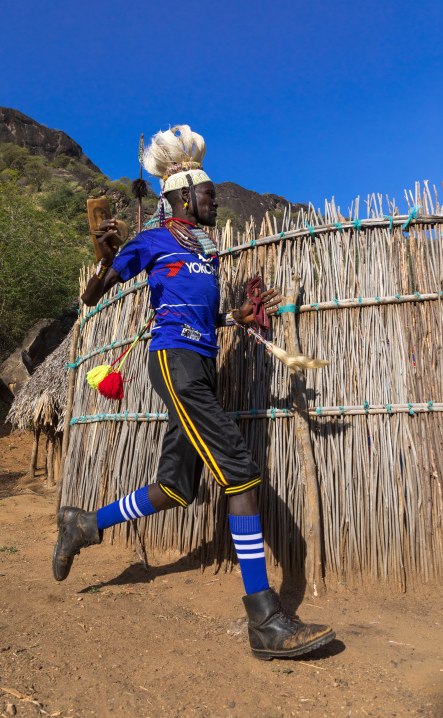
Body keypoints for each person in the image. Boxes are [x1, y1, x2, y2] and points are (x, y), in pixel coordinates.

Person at [53, 126, 335, 660]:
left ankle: (84, 523)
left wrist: (237, 316)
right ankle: (265, 619)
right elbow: (92, 296)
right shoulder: (152, 241)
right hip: (174, 361)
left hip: (199, 363)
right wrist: (107, 254)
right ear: (182, 196)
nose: (216, 199)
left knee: (176, 487)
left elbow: (202, 311)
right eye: (208, 195)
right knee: (241, 471)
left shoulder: (205, 249)